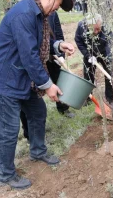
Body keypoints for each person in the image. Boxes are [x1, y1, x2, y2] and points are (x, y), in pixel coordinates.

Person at [0, 0, 75, 190]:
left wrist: (59, 44)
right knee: (8, 130)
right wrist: (48, 84)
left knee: (37, 113)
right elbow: (29, 56)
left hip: (23, 79)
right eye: (58, 5)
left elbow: (39, 44)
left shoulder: (38, 15)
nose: (55, 11)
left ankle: (37, 151)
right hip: (4, 81)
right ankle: (6, 174)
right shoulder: (24, 14)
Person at [20, 10, 75, 140]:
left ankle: (63, 107)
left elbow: (58, 33)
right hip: (35, 60)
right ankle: (28, 132)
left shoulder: (53, 14)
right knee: (28, 97)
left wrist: (60, 53)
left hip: (52, 55)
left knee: (58, 80)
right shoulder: (28, 15)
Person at [75, 13, 113, 105]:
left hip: (104, 51)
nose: (96, 31)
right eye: (94, 29)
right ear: (88, 25)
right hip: (90, 52)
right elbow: (78, 41)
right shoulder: (81, 26)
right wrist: (88, 55)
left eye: (98, 29)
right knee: (88, 74)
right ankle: (88, 98)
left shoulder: (106, 27)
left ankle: (110, 98)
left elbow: (110, 43)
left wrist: (108, 58)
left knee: (109, 74)